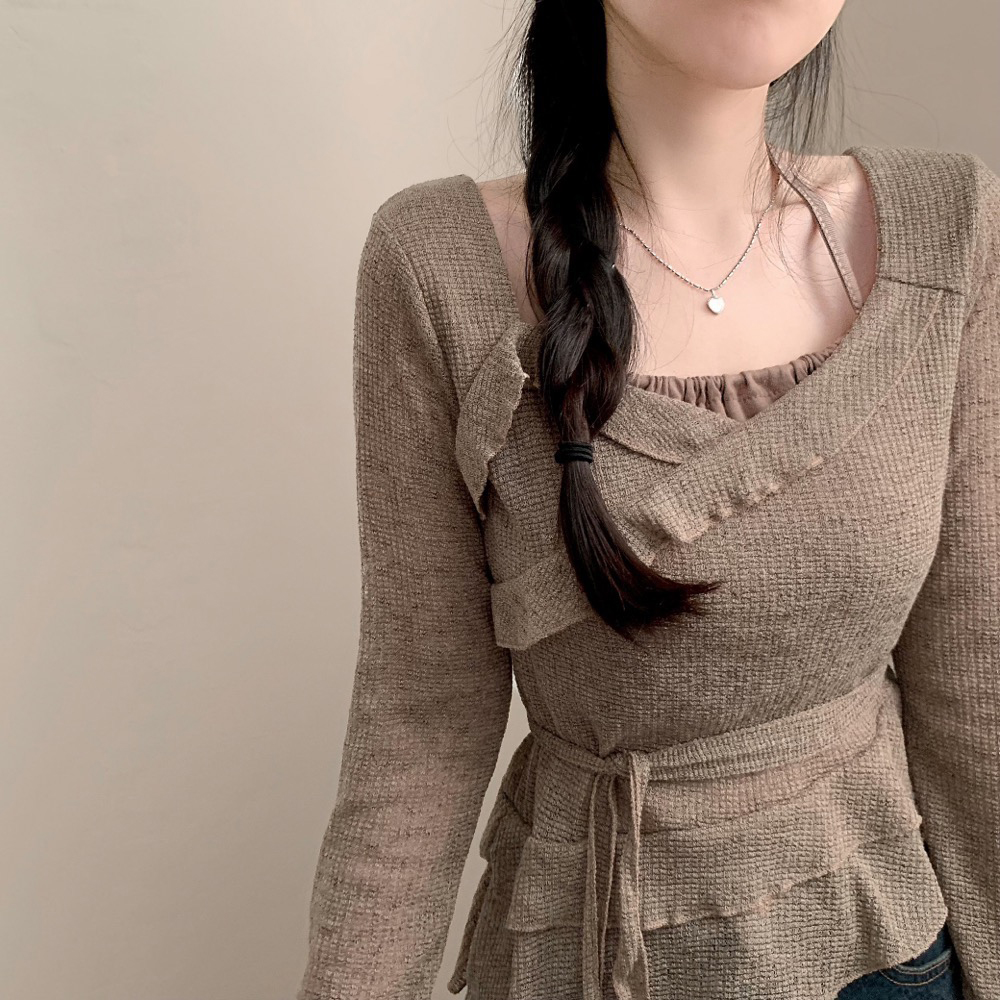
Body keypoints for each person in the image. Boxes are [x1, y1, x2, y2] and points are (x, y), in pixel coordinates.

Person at [297, 1, 999, 998]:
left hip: (880, 957)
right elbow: (421, 722)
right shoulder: (437, 264)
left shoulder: (948, 231)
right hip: (584, 958)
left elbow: (976, 683)